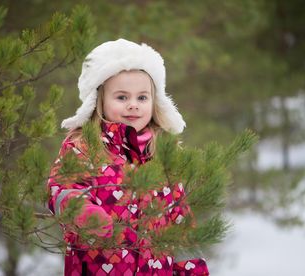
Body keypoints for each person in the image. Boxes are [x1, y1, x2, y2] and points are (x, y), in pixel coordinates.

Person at [47, 38, 209, 276]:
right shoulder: (84, 147)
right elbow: (60, 189)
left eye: (142, 98)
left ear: (155, 102)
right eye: (122, 97)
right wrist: (82, 211)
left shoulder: (165, 155)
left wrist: (191, 270)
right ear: (99, 100)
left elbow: (180, 224)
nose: (133, 105)